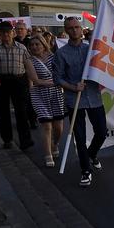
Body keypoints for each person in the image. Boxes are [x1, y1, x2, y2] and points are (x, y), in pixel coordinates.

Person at [54, 17, 107, 187]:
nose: (75, 30)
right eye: (70, 28)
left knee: (101, 132)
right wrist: (72, 86)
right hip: (74, 100)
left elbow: (102, 69)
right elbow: (57, 78)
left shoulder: (91, 50)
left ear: (81, 29)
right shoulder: (61, 53)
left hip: (94, 97)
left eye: (77, 27)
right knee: (80, 136)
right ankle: (85, 170)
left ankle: (92, 154)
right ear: (66, 30)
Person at [0, 21, 34, 149]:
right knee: (3, 112)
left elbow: (28, 66)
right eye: (2, 33)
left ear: (12, 33)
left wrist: (32, 81)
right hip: (0, 81)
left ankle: (25, 141)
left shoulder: (21, 48)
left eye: (8, 32)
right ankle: (7, 139)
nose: (6, 35)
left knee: (21, 111)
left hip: (19, 81)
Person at [25, 34, 66, 168]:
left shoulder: (54, 57)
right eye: (32, 45)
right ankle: (48, 154)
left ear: (43, 44)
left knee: (58, 127)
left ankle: (55, 143)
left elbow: (62, 73)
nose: (34, 47)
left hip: (56, 94)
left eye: (37, 44)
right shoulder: (29, 61)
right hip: (39, 95)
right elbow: (36, 81)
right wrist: (55, 82)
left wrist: (60, 82)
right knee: (47, 125)